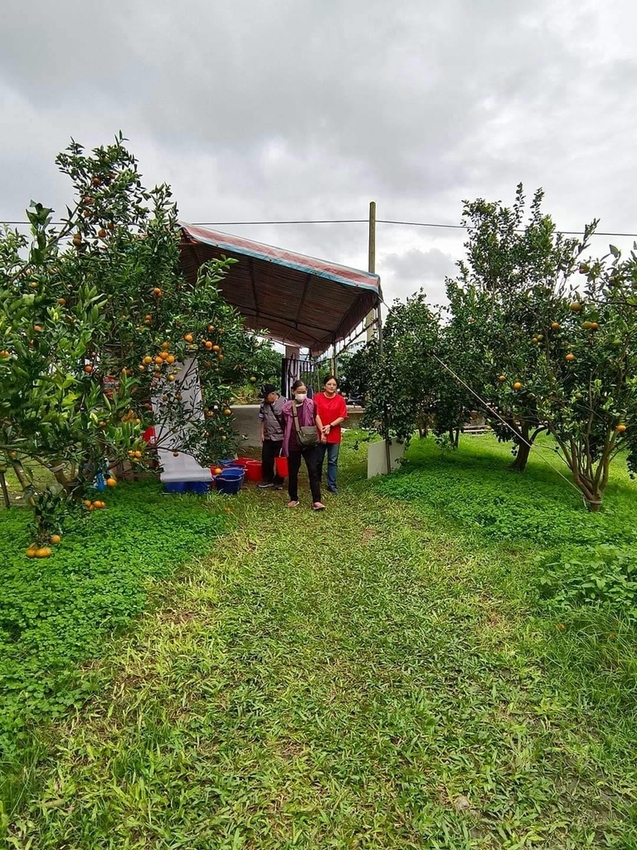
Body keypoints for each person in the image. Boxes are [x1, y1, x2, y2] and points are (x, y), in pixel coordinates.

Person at [281, 380, 325, 510]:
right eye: (299, 392)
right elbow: (283, 424)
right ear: (293, 391)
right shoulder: (286, 408)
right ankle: (293, 498)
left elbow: (315, 417)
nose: (302, 394)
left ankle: (317, 500)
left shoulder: (312, 404)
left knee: (313, 470)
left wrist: (322, 432)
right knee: (293, 472)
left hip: (309, 443)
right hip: (293, 443)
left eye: (304, 392)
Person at [314, 375, 348, 494]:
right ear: (324, 385)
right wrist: (322, 430)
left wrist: (330, 426)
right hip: (320, 433)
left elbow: (342, 416)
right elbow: (315, 414)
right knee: (318, 459)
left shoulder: (340, 400)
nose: (331, 386)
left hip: (334, 434)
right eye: (329, 384)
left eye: (334, 385)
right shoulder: (317, 398)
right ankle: (316, 481)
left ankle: (331, 484)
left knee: (332, 460)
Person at [257, 383, 286, 490]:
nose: (265, 398)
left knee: (280, 460)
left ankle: (279, 481)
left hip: (281, 437)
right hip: (268, 437)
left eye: (266, 396)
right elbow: (262, 420)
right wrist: (261, 433)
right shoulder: (263, 405)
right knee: (266, 459)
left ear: (273, 394)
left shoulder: (285, 403)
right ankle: (267, 479)